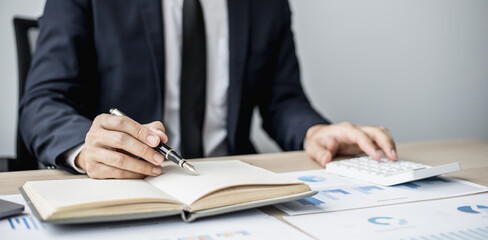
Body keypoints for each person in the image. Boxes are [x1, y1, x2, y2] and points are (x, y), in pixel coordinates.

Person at [20, 0, 397, 179]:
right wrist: (86, 150)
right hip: (124, 186)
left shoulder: (267, 6)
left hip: (229, 185)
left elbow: (282, 100)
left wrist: (316, 132)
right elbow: (43, 101)